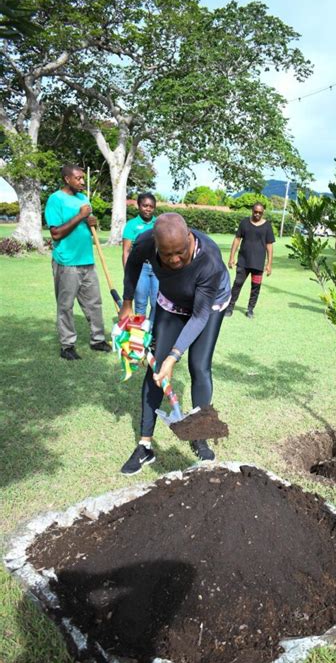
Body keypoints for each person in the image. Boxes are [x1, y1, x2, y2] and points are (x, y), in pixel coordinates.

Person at [119, 213, 231, 475]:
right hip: (171, 302)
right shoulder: (145, 242)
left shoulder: (210, 259)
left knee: (199, 366)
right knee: (155, 368)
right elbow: (133, 265)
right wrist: (126, 303)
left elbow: (200, 316)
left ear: (190, 238)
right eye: (167, 255)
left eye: (180, 252)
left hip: (208, 304)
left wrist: (174, 356)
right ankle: (145, 445)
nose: (174, 260)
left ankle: (199, 436)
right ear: (156, 245)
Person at [45, 165, 112, 360]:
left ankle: (98, 340)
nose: (82, 182)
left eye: (83, 178)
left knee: (94, 303)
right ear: (67, 179)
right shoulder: (55, 199)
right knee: (65, 305)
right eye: (78, 178)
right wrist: (81, 216)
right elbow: (55, 233)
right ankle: (67, 346)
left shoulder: (83, 199)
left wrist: (91, 221)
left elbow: (86, 224)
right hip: (66, 262)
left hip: (87, 261)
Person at [225, 202, 274, 318]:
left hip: (258, 264)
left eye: (260, 213)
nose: (257, 214)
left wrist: (269, 264)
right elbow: (237, 240)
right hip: (243, 262)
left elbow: (269, 246)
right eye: (255, 212)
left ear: (263, 213)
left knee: (255, 288)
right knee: (237, 284)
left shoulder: (267, 226)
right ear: (252, 211)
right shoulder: (244, 223)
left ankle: (250, 309)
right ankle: (230, 307)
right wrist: (231, 257)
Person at [122, 192, 158, 325]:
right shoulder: (132, 225)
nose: (148, 209)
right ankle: (139, 334)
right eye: (145, 205)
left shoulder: (159, 223)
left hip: (157, 267)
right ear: (139, 206)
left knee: (156, 302)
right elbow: (126, 251)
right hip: (139, 268)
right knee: (141, 303)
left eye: (151, 206)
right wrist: (128, 275)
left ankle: (152, 333)